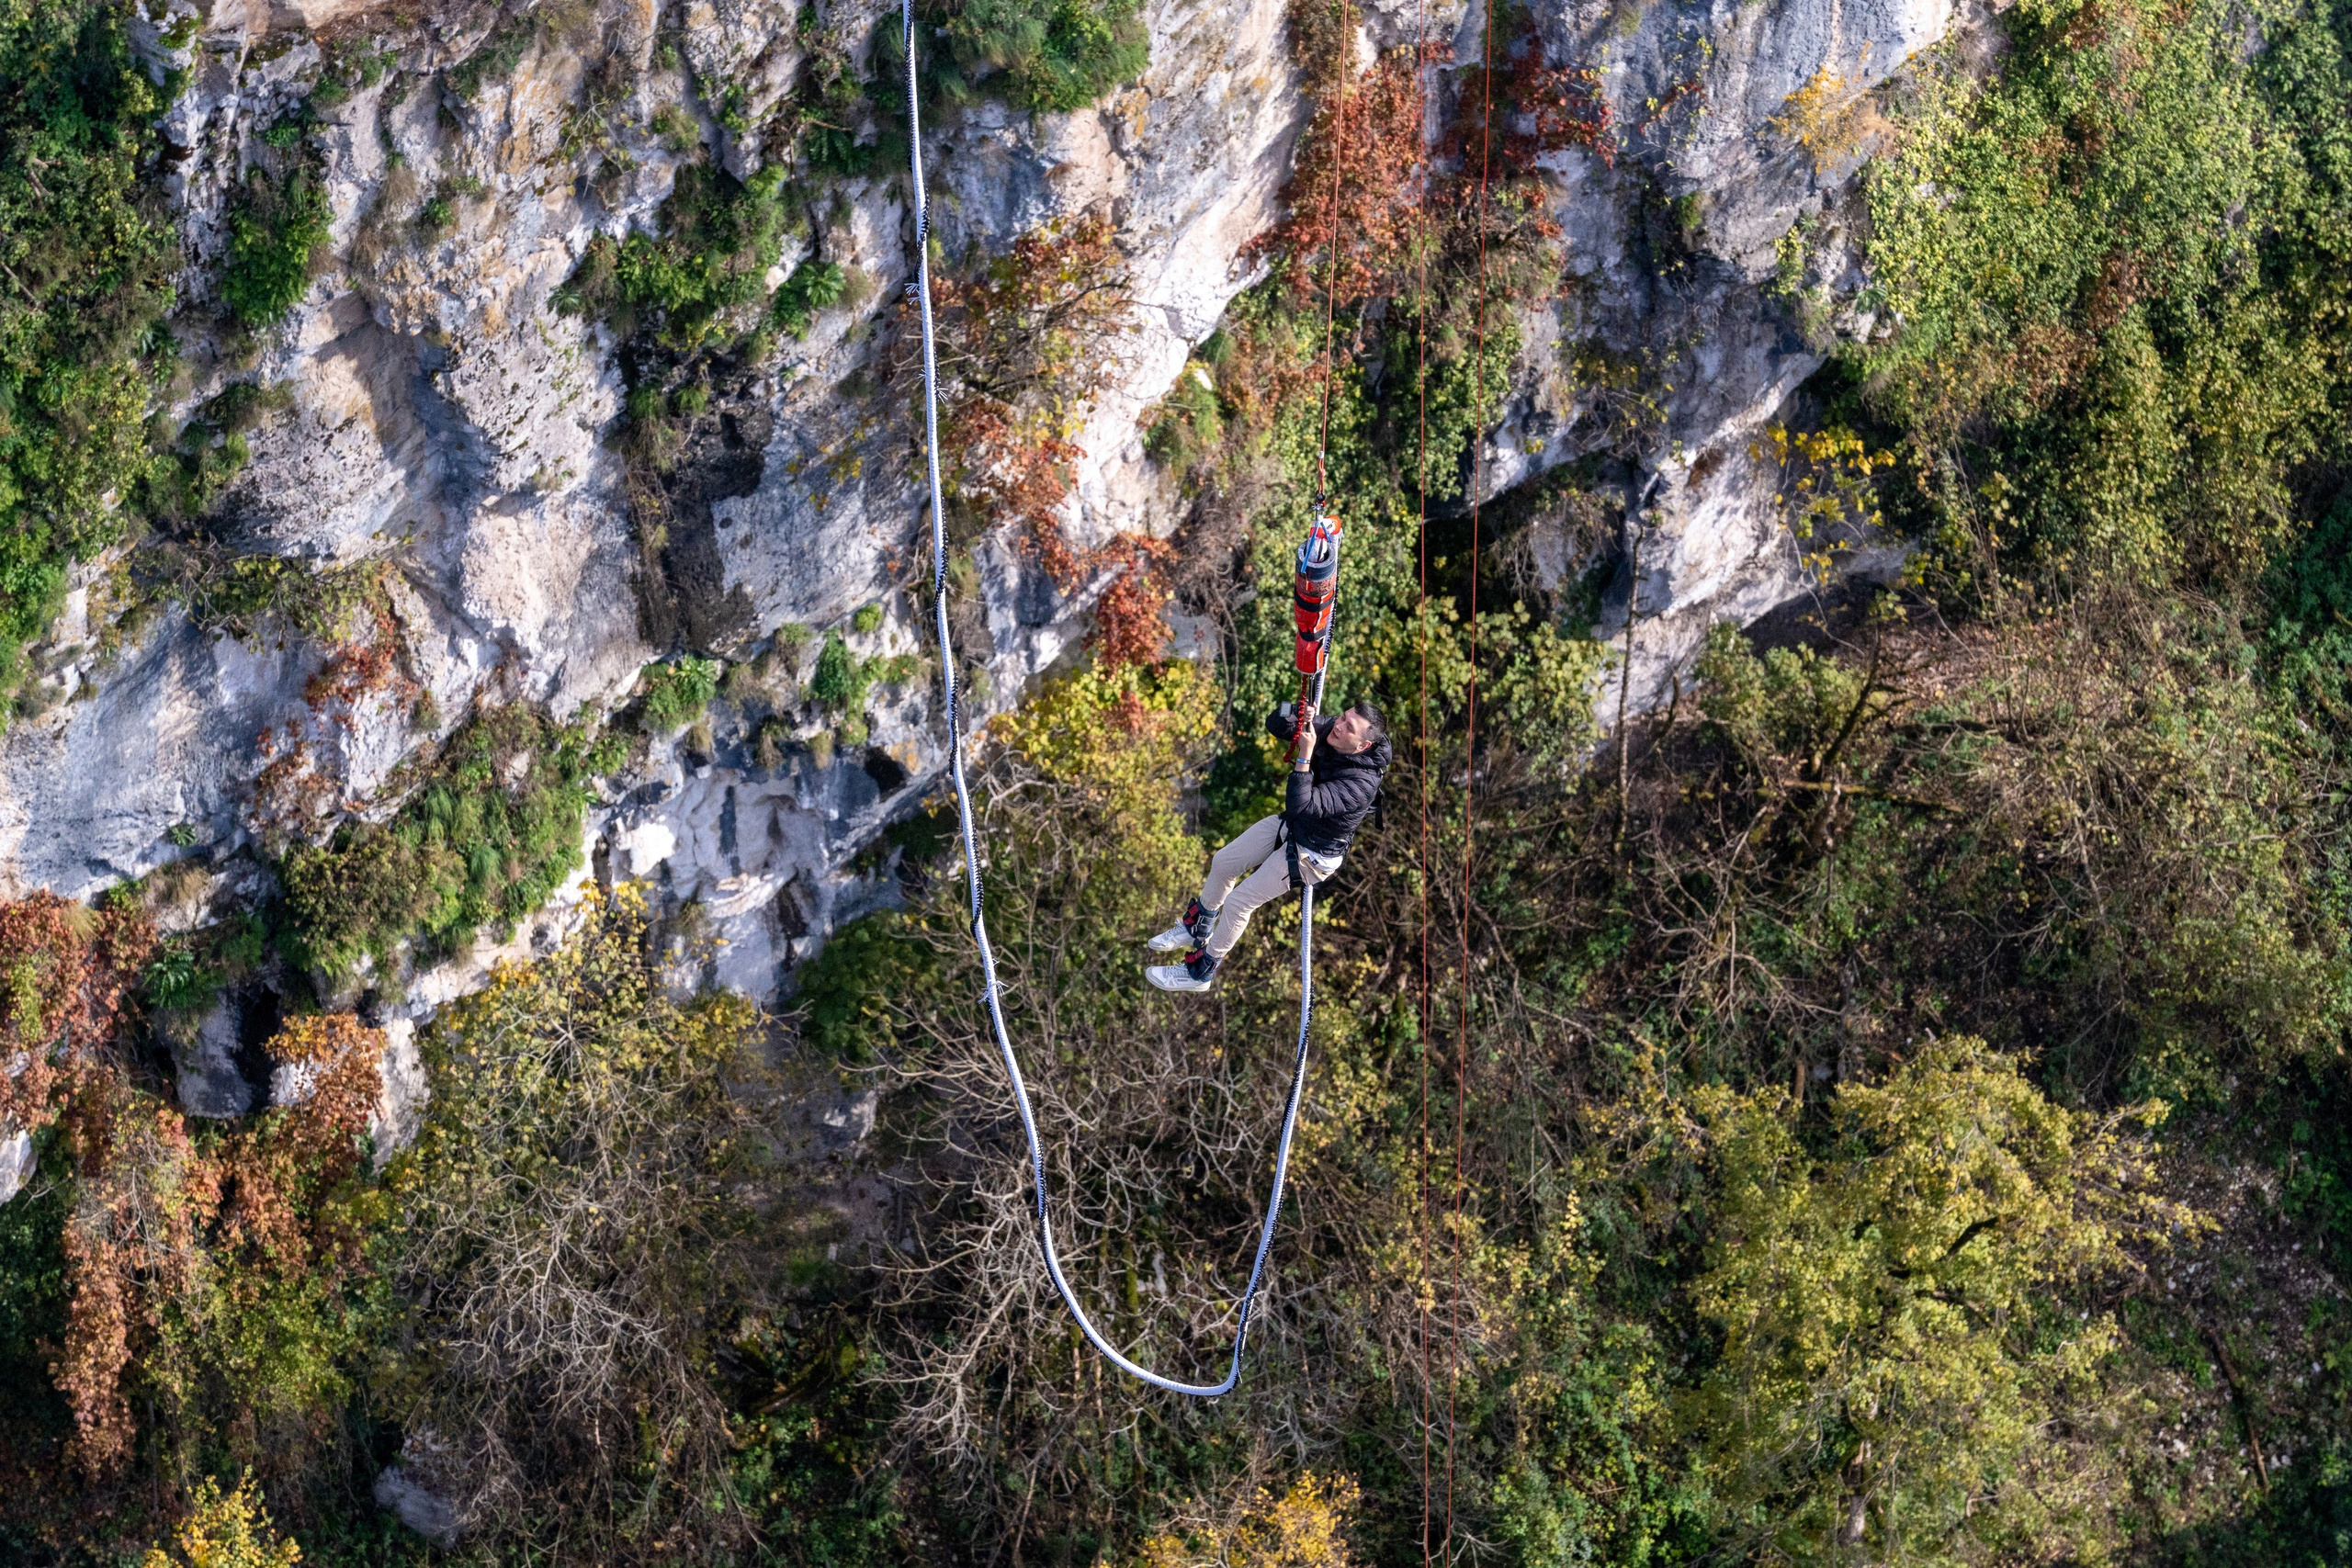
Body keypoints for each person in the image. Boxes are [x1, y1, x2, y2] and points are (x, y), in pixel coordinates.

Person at [1145, 696, 1392, 992]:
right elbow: (1276, 724)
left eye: (1348, 726)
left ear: (1362, 745)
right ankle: (1198, 925)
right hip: (1294, 826)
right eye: (1342, 717)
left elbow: (1303, 804)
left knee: (1239, 902)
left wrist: (1305, 755)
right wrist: (1298, 712)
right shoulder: (1333, 731)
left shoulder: (1361, 784)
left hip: (1312, 853)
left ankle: (1200, 973)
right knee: (1224, 862)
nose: (1338, 725)